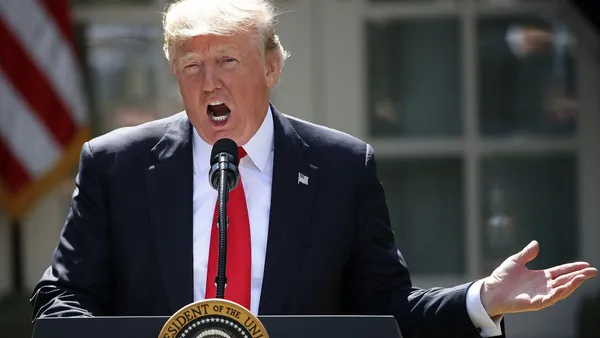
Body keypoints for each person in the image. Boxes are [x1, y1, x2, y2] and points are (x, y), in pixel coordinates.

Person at [30, 0, 597, 337]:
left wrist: (481, 301)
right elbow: (61, 303)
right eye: (192, 65)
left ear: (272, 66)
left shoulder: (340, 167)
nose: (210, 82)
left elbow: (386, 309)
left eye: (228, 60)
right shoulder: (117, 165)